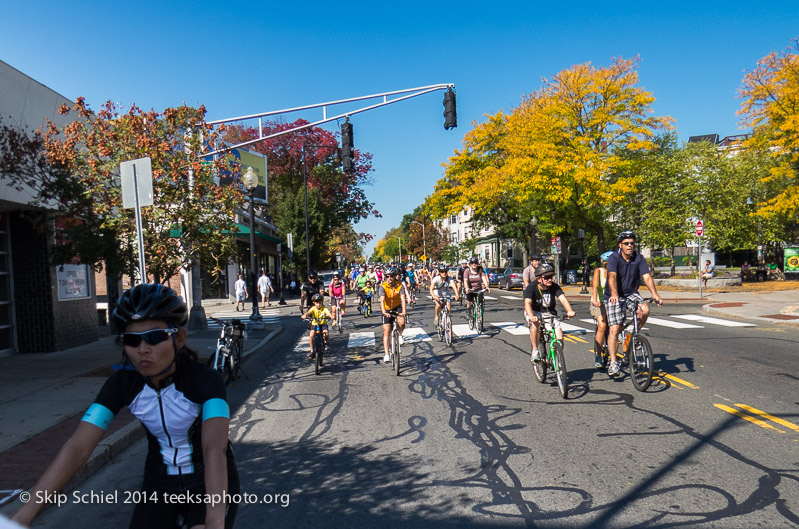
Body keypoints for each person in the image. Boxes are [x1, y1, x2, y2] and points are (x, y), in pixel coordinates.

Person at [12, 283, 239, 529]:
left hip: (208, 484)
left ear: (179, 338)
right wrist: (22, 517)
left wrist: (214, 520)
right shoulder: (123, 384)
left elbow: (214, 449)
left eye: (154, 337)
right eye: (132, 340)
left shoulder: (205, 380)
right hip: (159, 485)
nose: (143, 349)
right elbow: (78, 448)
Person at [605, 231, 663, 377]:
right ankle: (613, 363)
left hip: (631, 292)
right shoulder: (614, 258)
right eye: (626, 243)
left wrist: (654, 294)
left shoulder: (639, 258)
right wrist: (614, 294)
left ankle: (631, 335)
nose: (630, 246)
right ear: (620, 245)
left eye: (632, 243)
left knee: (645, 310)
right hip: (614, 294)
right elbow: (612, 276)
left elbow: (647, 277)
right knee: (615, 328)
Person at [524, 263, 576, 363]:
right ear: (539, 279)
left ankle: (555, 357)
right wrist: (531, 316)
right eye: (546, 277)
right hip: (535, 312)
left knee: (559, 338)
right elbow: (527, 303)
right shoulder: (532, 287)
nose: (550, 279)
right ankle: (535, 350)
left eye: (551, 277)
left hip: (550, 314)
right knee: (535, 325)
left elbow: (563, 299)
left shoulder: (554, 286)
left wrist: (569, 311)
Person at [378, 267, 407, 363]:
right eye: (387, 276)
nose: (389, 278)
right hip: (386, 308)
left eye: (392, 276)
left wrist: (404, 311)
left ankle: (399, 335)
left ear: (395, 276)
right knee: (386, 331)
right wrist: (384, 312)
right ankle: (386, 354)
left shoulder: (400, 286)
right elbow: (382, 300)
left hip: (396, 307)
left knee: (402, 323)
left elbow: (403, 299)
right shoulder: (383, 286)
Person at [591, 251, 614, 369]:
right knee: (602, 326)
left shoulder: (615, 272)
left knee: (615, 327)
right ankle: (598, 355)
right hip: (598, 301)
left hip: (611, 302)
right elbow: (595, 287)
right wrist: (595, 300)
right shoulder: (598, 271)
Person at [301, 293, 334, 361]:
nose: (318, 304)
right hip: (315, 324)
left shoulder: (324, 308)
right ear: (314, 303)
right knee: (311, 336)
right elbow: (308, 313)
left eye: (320, 302)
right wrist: (305, 315)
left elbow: (328, 313)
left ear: (322, 302)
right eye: (317, 303)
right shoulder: (313, 308)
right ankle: (312, 350)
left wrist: (331, 316)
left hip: (323, 324)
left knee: (326, 333)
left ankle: (326, 343)